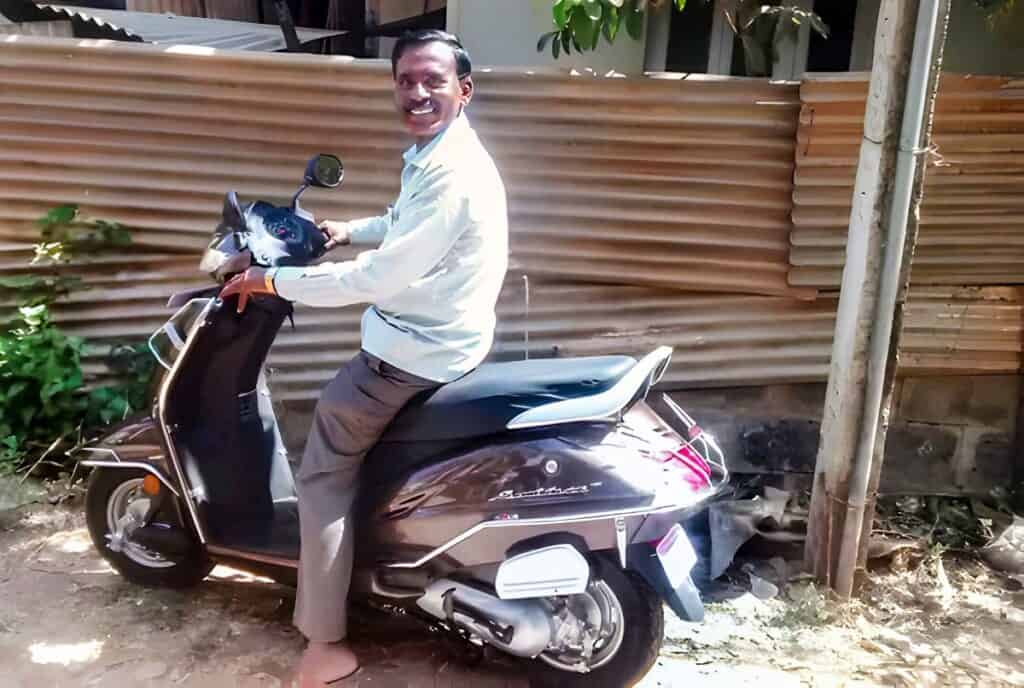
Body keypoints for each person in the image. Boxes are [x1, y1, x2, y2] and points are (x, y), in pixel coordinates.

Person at [219, 29, 508, 687]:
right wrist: (351, 229)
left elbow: (373, 281)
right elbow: (404, 224)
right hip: (448, 339)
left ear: (464, 90)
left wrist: (272, 281)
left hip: (410, 353)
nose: (417, 92)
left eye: (433, 80)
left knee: (322, 468)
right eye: (405, 80)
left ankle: (325, 645)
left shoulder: (450, 173)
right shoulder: (440, 156)